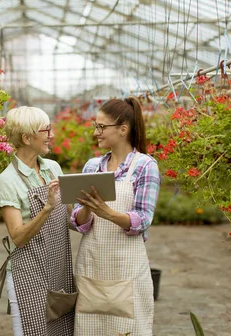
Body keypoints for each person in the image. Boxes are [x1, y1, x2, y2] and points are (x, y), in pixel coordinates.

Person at [70, 96, 160, 336]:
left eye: (102, 127)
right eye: (95, 126)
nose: (96, 132)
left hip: (127, 269)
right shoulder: (92, 166)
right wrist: (88, 207)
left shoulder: (144, 166)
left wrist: (107, 213)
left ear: (123, 129)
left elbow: (143, 219)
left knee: (129, 329)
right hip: (92, 266)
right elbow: (78, 222)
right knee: (90, 328)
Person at [0, 106, 76, 336]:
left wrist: (88, 202)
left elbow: (70, 220)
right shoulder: (7, 180)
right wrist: (47, 208)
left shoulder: (53, 168)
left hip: (59, 270)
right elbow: (18, 237)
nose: (51, 135)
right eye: (46, 130)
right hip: (28, 275)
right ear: (27, 137)